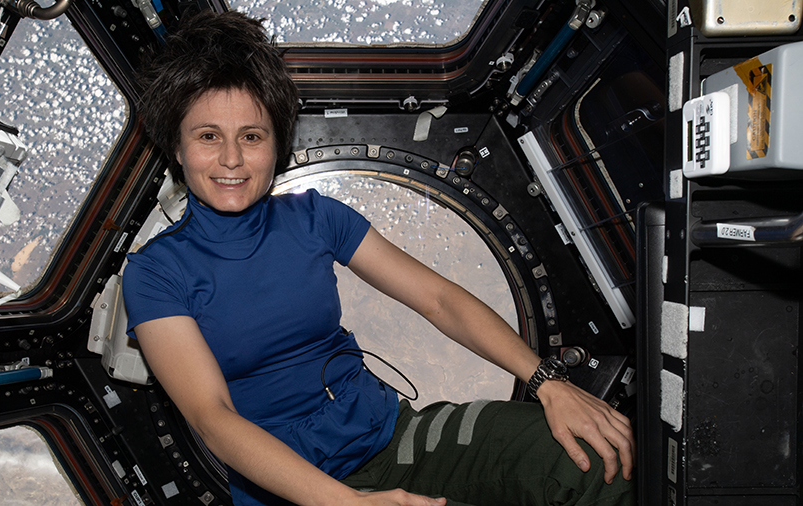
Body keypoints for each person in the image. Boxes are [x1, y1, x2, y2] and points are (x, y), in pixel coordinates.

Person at [123, 9, 635, 506]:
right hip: (291, 488)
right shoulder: (155, 273)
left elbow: (439, 300)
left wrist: (546, 381)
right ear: (178, 147)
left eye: (251, 136)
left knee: (592, 459)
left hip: (393, 438)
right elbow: (213, 417)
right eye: (208, 136)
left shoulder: (315, 217)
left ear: (277, 144)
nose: (232, 159)